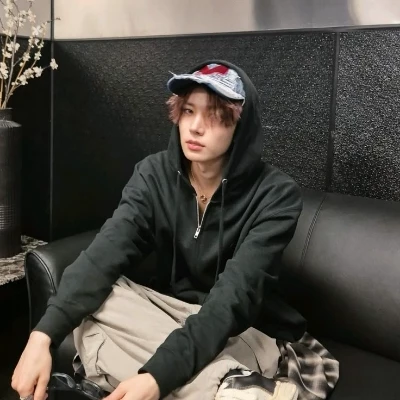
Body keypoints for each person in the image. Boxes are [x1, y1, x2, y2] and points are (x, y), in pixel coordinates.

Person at [12, 60, 338, 400]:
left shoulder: (276, 195)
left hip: (243, 330)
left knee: (104, 339)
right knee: (93, 295)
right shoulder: (153, 175)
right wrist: (41, 337)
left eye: (214, 115)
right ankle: (232, 386)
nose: (195, 127)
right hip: (168, 316)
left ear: (239, 128)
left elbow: (233, 299)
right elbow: (103, 254)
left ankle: (217, 383)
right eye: (188, 111)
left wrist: (157, 377)